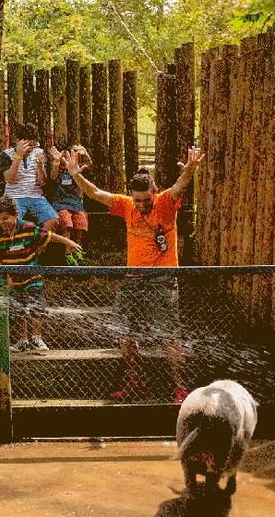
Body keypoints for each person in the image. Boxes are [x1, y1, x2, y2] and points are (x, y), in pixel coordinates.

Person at [64, 147, 205, 404]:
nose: (141, 205)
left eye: (146, 200)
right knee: (126, 336)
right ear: (131, 195)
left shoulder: (164, 202)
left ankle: (180, 388)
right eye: (137, 200)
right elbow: (96, 193)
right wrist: (75, 175)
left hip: (162, 278)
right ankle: (135, 382)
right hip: (133, 279)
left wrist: (190, 172)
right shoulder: (126, 205)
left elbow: (179, 186)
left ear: (154, 191)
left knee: (167, 335)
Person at [0, 195, 82, 355]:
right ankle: (22, 340)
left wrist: (68, 242)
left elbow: (50, 236)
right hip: (12, 276)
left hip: (32, 275)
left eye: (5, 218)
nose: (1, 222)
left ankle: (37, 338)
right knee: (17, 309)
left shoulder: (28, 228)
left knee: (36, 306)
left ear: (16, 215)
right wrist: (7, 276)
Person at [0, 122, 58, 236]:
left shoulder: (39, 152)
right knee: (13, 223)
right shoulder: (7, 154)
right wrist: (18, 156)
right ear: (19, 142)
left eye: (34, 145)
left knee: (53, 220)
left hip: (36, 196)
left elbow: (42, 183)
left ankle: (36, 251)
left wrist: (41, 168)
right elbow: (10, 179)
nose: (31, 149)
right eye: (28, 146)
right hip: (14, 196)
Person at [45, 143, 92, 264]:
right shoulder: (56, 168)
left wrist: (85, 155)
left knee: (81, 223)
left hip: (75, 202)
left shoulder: (74, 169)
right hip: (59, 203)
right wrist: (57, 161)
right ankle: (67, 254)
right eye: (61, 156)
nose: (64, 159)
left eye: (66, 155)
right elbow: (53, 177)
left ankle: (78, 251)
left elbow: (89, 167)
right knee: (67, 224)